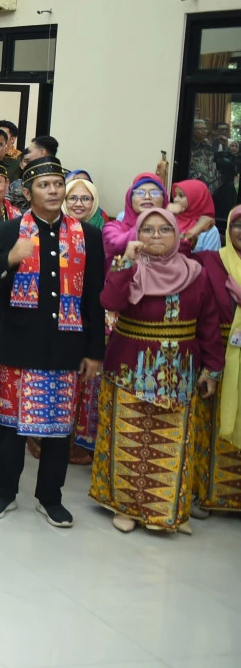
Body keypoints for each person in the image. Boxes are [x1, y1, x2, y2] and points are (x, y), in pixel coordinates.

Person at [0, 157, 106, 528]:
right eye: (44, 185)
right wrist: (10, 260)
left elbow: (94, 297)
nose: (53, 191)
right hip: (18, 344)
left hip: (67, 346)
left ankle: (51, 497)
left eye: (57, 185)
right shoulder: (9, 231)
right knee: (10, 426)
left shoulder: (87, 236)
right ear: (28, 192)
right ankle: (4, 492)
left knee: (59, 429)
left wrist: (95, 351)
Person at [88, 206, 224, 534]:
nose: (156, 236)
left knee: (172, 440)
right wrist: (126, 262)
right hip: (129, 369)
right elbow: (110, 302)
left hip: (180, 374)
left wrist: (212, 369)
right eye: (147, 230)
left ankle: (166, 511)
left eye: (164, 230)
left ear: (177, 234)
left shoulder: (195, 272)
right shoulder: (130, 267)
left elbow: (208, 323)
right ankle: (126, 507)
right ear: (137, 235)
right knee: (129, 437)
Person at [203, 208, 241, 516]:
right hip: (218, 353)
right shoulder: (213, 262)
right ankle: (207, 495)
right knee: (212, 425)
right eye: (238, 225)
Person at [103, 172, 167, 260]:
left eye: (155, 193)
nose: (147, 197)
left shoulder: (172, 229)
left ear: (164, 200)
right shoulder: (112, 228)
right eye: (140, 193)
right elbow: (115, 245)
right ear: (130, 199)